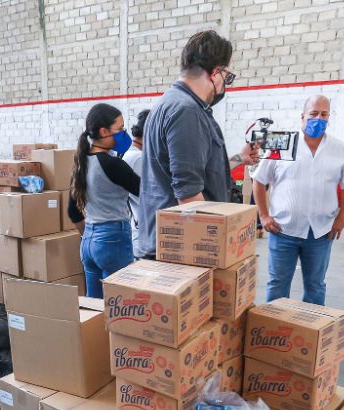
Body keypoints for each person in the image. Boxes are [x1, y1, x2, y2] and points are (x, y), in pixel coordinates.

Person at [136, 30, 258, 259]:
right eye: (227, 77)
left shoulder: (168, 104)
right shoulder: (187, 112)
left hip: (169, 243)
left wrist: (239, 158)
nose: (226, 84)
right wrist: (223, 246)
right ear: (215, 73)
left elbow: (195, 170)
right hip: (183, 249)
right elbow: (189, 196)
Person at [252, 94, 344, 305]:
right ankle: (274, 324)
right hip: (282, 229)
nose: (318, 118)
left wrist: (342, 218)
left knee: (315, 285)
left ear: (329, 117)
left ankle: (312, 324)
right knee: (278, 283)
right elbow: (259, 180)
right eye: (314, 113)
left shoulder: (339, 148)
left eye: (324, 114)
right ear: (302, 116)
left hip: (321, 232)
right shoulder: (281, 142)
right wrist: (263, 216)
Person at [68, 103, 139, 298]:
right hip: (113, 241)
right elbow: (146, 192)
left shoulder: (81, 163)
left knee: (95, 307)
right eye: (120, 128)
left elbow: (73, 211)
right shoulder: (113, 164)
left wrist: (92, 233)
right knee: (119, 304)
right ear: (103, 131)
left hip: (88, 243)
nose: (124, 133)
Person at [123, 109, 149, 257]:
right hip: (144, 234)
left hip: (140, 230)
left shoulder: (130, 154)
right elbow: (149, 197)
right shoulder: (138, 158)